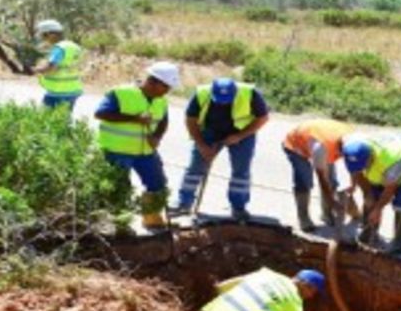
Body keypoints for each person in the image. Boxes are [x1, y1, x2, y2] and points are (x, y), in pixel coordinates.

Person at [94, 62, 180, 230]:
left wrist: (157, 137)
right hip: (117, 150)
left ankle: (152, 219)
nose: (168, 91)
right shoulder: (121, 93)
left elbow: (163, 121)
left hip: (146, 152)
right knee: (120, 187)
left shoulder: (160, 100)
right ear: (153, 82)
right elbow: (101, 113)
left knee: (157, 183)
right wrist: (135, 118)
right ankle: (120, 224)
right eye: (166, 86)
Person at [171, 78, 270, 221]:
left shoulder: (250, 93)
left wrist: (239, 136)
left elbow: (263, 117)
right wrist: (201, 145)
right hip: (210, 131)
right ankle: (184, 203)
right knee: (196, 166)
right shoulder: (201, 93)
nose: (223, 103)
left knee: (241, 172)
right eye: (219, 100)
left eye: (227, 100)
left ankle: (238, 207)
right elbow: (190, 120)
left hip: (242, 132)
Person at [342, 134, 401, 253]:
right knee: (369, 201)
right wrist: (367, 194)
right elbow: (356, 172)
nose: (362, 168)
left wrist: (378, 209)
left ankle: (400, 241)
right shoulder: (353, 147)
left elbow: (389, 189)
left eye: (364, 165)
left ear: (370, 157)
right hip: (380, 173)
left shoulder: (392, 159)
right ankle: (369, 234)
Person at [282, 119, 355, 231]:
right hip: (296, 145)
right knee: (304, 181)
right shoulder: (320, 148)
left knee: (331, 182)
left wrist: (352, 187)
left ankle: (326, 214)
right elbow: (322, 178)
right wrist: (332, 201)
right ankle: (304, 218)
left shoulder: (352, 137)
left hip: (319, 139)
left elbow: (354, 167)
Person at [31, 19, 83, 112]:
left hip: (58, 91)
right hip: (73, 90)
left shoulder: (59, 49)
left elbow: (50, 68)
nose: (43, 39)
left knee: (46, 118)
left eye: (44, 35)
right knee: (63, 118)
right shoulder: (73, 46)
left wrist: (34, 70)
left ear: (52, 34)